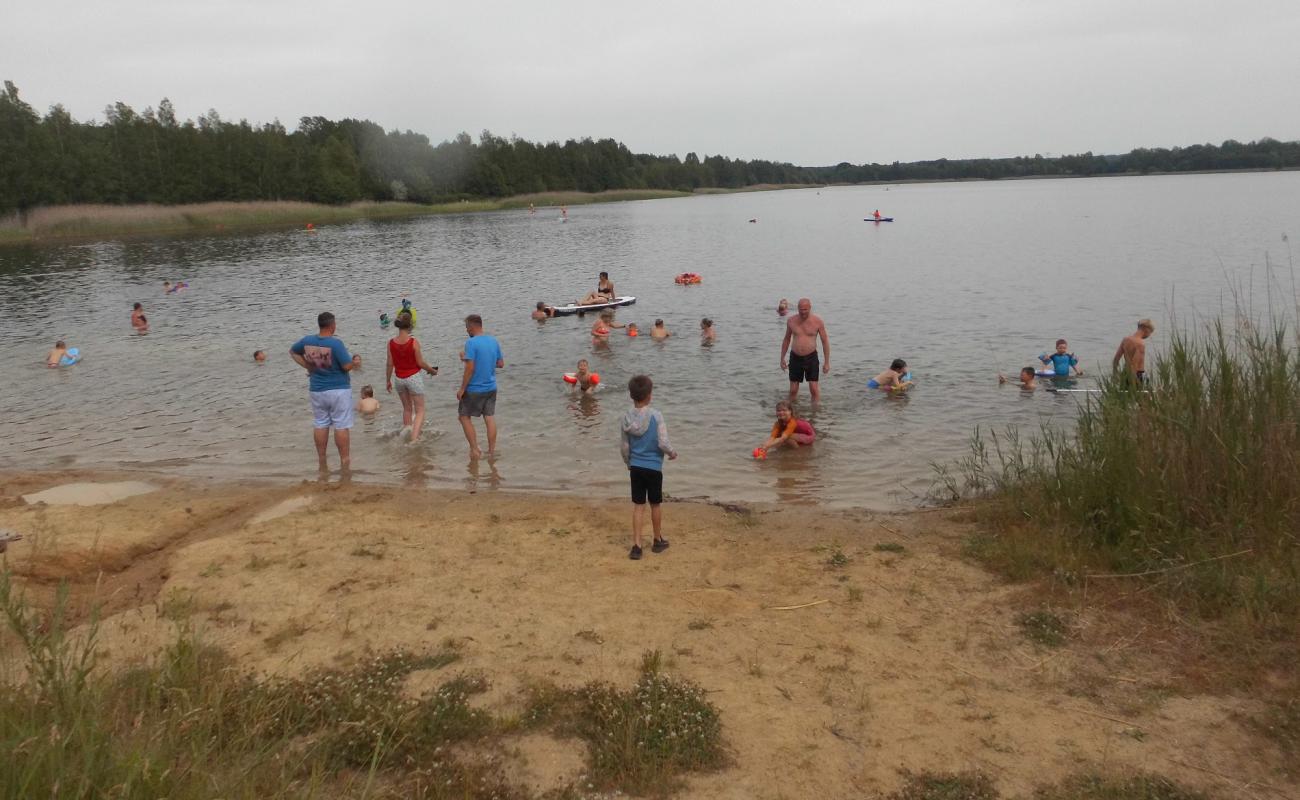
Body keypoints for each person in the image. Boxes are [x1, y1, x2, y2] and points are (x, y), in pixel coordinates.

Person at [290, 312, 360, 472]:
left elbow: (293, 352)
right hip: (338, 389)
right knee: (341, 425)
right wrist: (353, 364)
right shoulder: (336, 344)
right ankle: (345, 460)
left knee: (320, 423)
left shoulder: (307, 341)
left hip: (317, 389)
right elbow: (346, 366)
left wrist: (308, 366)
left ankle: (322, 460)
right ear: (332, 325)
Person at [620, 374, 677, 560]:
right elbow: (663, 442)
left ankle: (636, 545)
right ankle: (657, 539)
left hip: (636, 467)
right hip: (653, 468)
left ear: (631, 395)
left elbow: (624, 446)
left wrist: (629, 463)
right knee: (655, 504)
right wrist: (671, 453)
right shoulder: (656, 416)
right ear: (650, 395)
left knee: (638, 506)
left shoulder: (626, 417)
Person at [456, 314, 504, 459]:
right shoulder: (493, 341)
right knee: (489, 417)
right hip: (491, 387)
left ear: (472, 326)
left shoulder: (471, 343)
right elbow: (500, 364)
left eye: (466, 327)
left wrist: (462, 388)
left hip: (474, 388)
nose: (466, 331)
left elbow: (470, 368)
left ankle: (475, 449)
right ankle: (491, 451)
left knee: (464, 417)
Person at [386, 314, 439, 442]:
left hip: (399, 379)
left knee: (407, 409)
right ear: (410, 326)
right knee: (420, 410)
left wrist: (387, 380)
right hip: (413, 378)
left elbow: (389, 363)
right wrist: (432, 370)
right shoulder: (413, 342)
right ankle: (414, 439)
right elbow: (420, 363)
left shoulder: (391, 343)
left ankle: (407, 432)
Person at [780, 298, 831, 403]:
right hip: (795, 357)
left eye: (805, 309)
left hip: (811, 357)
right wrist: (782, 358)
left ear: (810, 308)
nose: (803, 312)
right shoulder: (791, 320)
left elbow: (825, 341)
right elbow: (786, 339)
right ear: (797, 308)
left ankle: (815, 415)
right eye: (800, 309)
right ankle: (792, 413)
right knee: (793, 390)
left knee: (813, 389)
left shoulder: (818, 321)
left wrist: (826, 362)